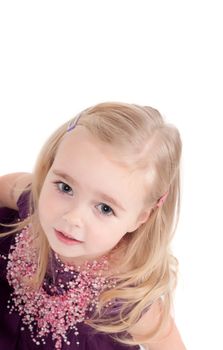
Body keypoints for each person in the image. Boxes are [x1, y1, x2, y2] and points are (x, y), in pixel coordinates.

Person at [0, 102, 186, 350]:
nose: (73, 218)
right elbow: (5, 188)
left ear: (141, 218)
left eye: (105, 208)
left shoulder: (124, 292)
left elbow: (167, 343)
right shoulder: (32, 201)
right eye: (65, 187)